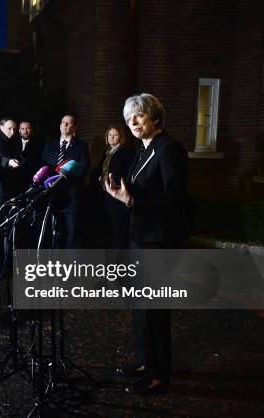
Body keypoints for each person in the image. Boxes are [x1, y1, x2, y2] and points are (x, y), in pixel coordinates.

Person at [104, 93, 188, 395]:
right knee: (140, 306)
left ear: (153, 116)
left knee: (155, 309)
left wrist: (134, 200)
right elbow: (137, 195)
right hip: (141, 238)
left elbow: (176, 202)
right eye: (129, 119)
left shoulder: (169, 150)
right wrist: (122, 197)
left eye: (138, 115)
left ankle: (159, 374)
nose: (133, 122)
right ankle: (145, 361)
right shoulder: (142, 151)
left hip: (160, 242)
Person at [41, 114, 90, 249]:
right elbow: (43, 167)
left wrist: (68, 176)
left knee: (73, 233)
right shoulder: (49, 146)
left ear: (74, 127)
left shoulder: (81, 146)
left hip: (71, 196)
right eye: (63, 122)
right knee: (53, 232)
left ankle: (72, 266)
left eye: (69, 123)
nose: (65, 125)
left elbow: (84, 168)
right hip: (52, 196)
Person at [96, 126, 134, 249]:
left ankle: (119, 264)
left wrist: (118, 183)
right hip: (107, 196)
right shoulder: (106, 153)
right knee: (110, 232)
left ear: (121, 137)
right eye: (109, 135)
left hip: (119, 197)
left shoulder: (125, 152)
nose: (111, 137)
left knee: (119, 233)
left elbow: (130, 173)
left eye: (115, 135)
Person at [0, 118, 21, 207]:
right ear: (1, 128)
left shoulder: (14, 142)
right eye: (9, 128)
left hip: (12, 185)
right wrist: (9, 162)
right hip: (1, 186)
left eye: (14, 129)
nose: (12, 132)